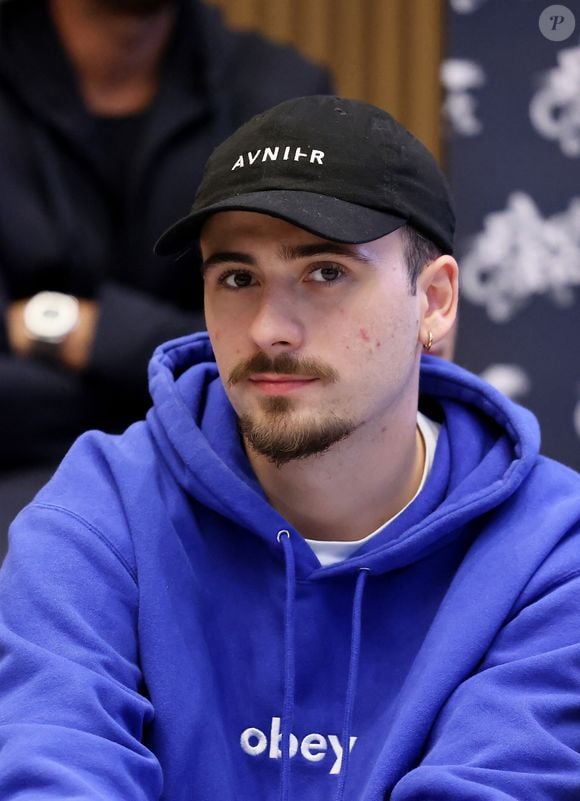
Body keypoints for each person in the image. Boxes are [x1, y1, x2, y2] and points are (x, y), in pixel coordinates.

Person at [0, 95, 579, 800]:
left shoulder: (551, 555)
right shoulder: (100, 510)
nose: (272, 328)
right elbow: (55, 772)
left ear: (434, 301)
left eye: (325, 272)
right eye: (238, 278)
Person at [0, 0, 332, 546]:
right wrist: (173, 368)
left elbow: (295, 340)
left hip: (222, 479)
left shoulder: (277, 94)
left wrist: (75, 331)